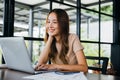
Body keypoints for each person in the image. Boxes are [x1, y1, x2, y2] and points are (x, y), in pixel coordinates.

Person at [35, 8, 88, 73]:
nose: (50, 26)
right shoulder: (51, 41)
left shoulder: (73, 38)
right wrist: (50, 38)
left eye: (54, 22)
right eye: (48, 22)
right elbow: (40, 65)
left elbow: (84, 68)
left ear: (63, 24)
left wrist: (56, 66)